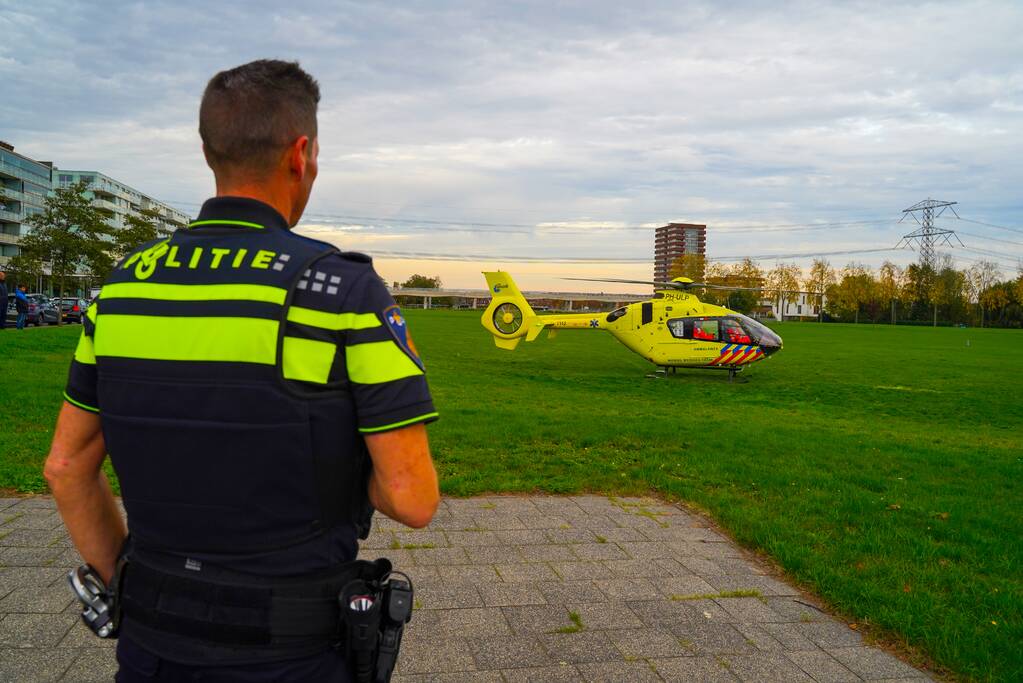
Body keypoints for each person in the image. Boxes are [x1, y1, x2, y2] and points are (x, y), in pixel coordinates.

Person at [44, 59, 440, 682]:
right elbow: (411, 498)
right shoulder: (340, 291)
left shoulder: (121, 290)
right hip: (293, 651)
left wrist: (126, 583)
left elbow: (67, 467)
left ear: (209, 152)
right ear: (301, 155)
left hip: (151, 644)